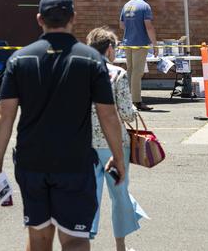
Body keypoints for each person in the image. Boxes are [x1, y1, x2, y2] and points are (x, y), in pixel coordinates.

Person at [0, 0, 126, 251]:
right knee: (74, 239)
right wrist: (118, 157)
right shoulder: (91, 59)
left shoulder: (20, 59)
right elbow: (108, 115)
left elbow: (4, 115)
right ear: (73, 18)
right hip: (74, 162)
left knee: (38, 237)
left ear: (40, 19)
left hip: (32, 161)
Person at [86, 27, 146, 251]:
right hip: (114, 146)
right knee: (118, 194)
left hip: (85, 146)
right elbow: (127, 113)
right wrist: (134, 110)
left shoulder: (78, 72)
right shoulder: (117, 74)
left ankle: (83, 243)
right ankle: (120, 246)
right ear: (110, 49)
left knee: (88, 195)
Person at [120, 0, 157, 111]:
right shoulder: (145, 6)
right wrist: (154, 44)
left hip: (127, 42)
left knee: (130, 70)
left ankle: (128, 99)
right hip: (140, 43)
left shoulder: (126, 5)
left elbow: (122, 25)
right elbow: (149, 26)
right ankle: (137, 101)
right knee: (137, 72)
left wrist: (132, 30)